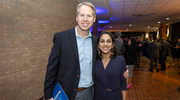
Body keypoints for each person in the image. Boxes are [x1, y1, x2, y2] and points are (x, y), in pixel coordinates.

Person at [44, 2, 128, 100]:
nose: (85, 19)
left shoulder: (96, 41)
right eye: (82, 15)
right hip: (66, 93)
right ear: (76, 17)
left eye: (89, 15)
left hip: (90, 93)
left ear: (94, 19)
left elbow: (104, 61)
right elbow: (51, 69)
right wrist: (48, 95)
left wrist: (121, 69)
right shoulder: (61, 38)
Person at [94, 31, 127, 100]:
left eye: (108, 41)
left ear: (112, 44)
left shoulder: (120, 60)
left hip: (114, 97)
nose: (105, 44)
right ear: (98, 45)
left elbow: (124, 84)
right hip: (98, 96)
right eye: (102, 41)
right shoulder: (95, 61)